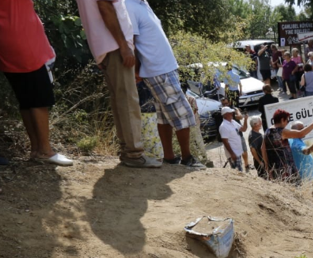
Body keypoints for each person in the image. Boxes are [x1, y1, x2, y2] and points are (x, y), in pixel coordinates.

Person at [75, 0, 160, 167]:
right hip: (115, 46)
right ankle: (134, 154)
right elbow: (105, 6)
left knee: (120, 100)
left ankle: (128, 151)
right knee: (128, 99)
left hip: (106, 47)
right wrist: (124, 46)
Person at [125, 0, 203, 168]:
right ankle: (187, 158)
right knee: (183, 113)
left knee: (164, 115)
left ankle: (169, 157)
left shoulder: (142, 4)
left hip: (163, 68)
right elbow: (131, 41)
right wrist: (137, 70)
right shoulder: (129, 5)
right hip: (158, 69)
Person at [0, 0, 73, 166]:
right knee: (40, 97)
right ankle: (45, 151)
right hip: (24, 41)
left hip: (7, 41)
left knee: (26, 98)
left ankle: (36, 149)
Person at [263, 109, 313, 182]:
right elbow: (300, 133)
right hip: (285, 168)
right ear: (282, 120)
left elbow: (262, 148)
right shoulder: (281, 131)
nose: (287, 123)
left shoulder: (267, 131)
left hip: (274, 167)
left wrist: (267, 166)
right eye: (287, 121)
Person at [219, 106, 247, 171]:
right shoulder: (223, 126)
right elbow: (225, 142)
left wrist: (245, 120)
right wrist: (232, 154)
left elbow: (243, 129)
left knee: (239, 170)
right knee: (238, 172)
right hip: (233, 153)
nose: (232, 114)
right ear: (225, 115)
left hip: (237, 152)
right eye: (230, 113)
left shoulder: (233, 122)